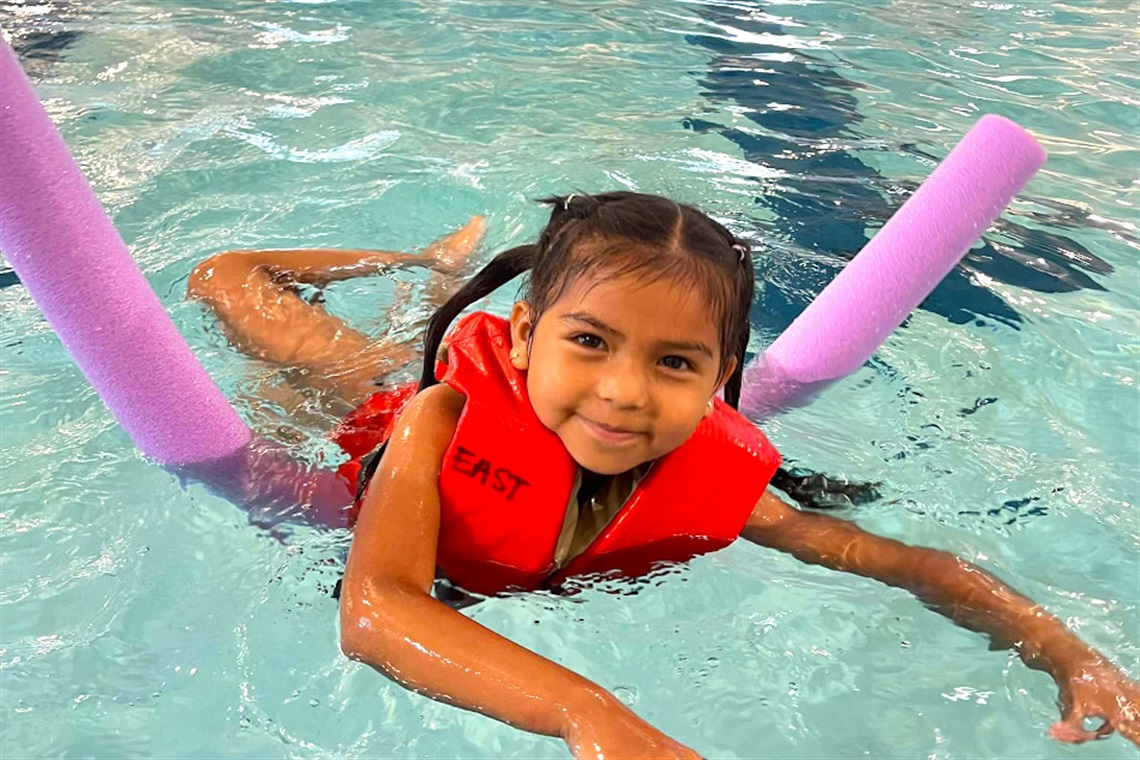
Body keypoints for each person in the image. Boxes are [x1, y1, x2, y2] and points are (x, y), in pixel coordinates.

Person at [188, 192, 1138, 758]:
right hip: (364, 420)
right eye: (589, 343)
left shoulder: (715, 482)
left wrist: (1068, 653)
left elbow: (913, 566)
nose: (624, 393)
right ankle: (427, 263)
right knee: (226, 278)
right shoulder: (442, 418)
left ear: (721, 380)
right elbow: (377, 609)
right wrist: (588, 713)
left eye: (675, 363)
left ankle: (438, 279)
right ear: (524, 340)